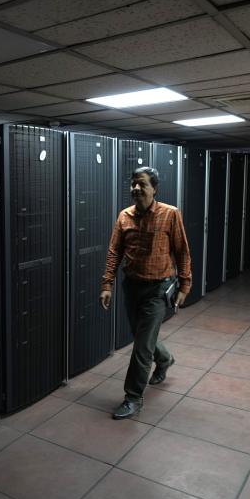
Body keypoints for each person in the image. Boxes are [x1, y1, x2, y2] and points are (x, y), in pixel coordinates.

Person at [100, 166, 191, 420]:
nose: (136, 189)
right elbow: (114, 252)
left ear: (154, 189)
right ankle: (165, 359)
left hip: (157, 289)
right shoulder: (124, 216)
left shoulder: (170, 214)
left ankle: (133, 397)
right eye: (133, 184)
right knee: (142, 337)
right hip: (132, 286)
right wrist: (107, 284)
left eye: (142, 184)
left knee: (141, 347)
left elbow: (182, 251)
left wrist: (185, 285)